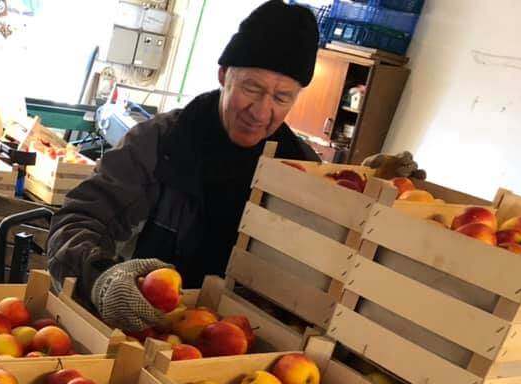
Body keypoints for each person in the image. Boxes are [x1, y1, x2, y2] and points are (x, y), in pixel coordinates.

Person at [47, 0, 322, 333]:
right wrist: (102, 278)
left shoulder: (305, 174)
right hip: (140, 329)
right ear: (224, 75)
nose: (262, 112)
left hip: (250, 354)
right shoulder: (161, 144)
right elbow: (77, 220)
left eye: (282, 98)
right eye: (252, 88)